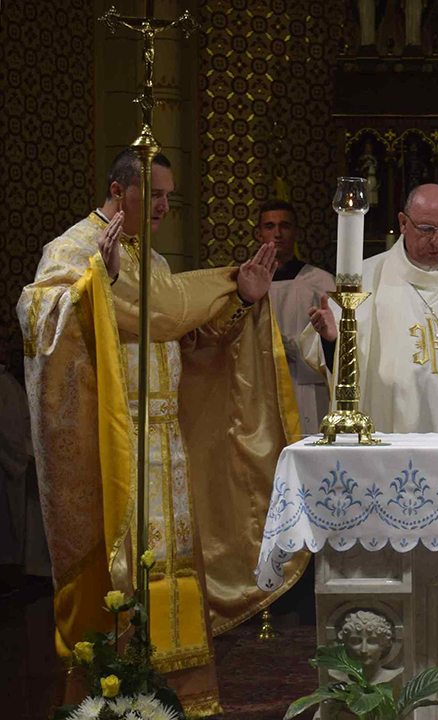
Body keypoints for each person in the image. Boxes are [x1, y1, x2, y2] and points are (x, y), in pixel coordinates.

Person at [17, 149, 305, 715]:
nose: (166, 207)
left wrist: (240, 299)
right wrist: (96, 286)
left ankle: (178, 699)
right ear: (117, 189)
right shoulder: (73, 248)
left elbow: (184, 336)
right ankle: (112, 697)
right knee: (121, 571)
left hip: (166, 446)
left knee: (172, 567)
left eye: (170, 197)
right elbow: (37, 321)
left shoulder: (152, 261)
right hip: (112, 449)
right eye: (156, 195)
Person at [304, 184, 438, 433]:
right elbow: (327, 361)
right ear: (403, 223)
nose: (437, 240)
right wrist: (332, 340)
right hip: (390, 428)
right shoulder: (365, 279)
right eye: (426, 229)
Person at [258, 199, 337, 435]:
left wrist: (292, 345)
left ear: (296, 231)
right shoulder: (246, 283)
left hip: (307, 385)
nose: (277, 233)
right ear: (258, 233)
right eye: (269, 226)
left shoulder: (320, 282)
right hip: (263, 384)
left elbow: (336, 343)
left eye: (285, 226)